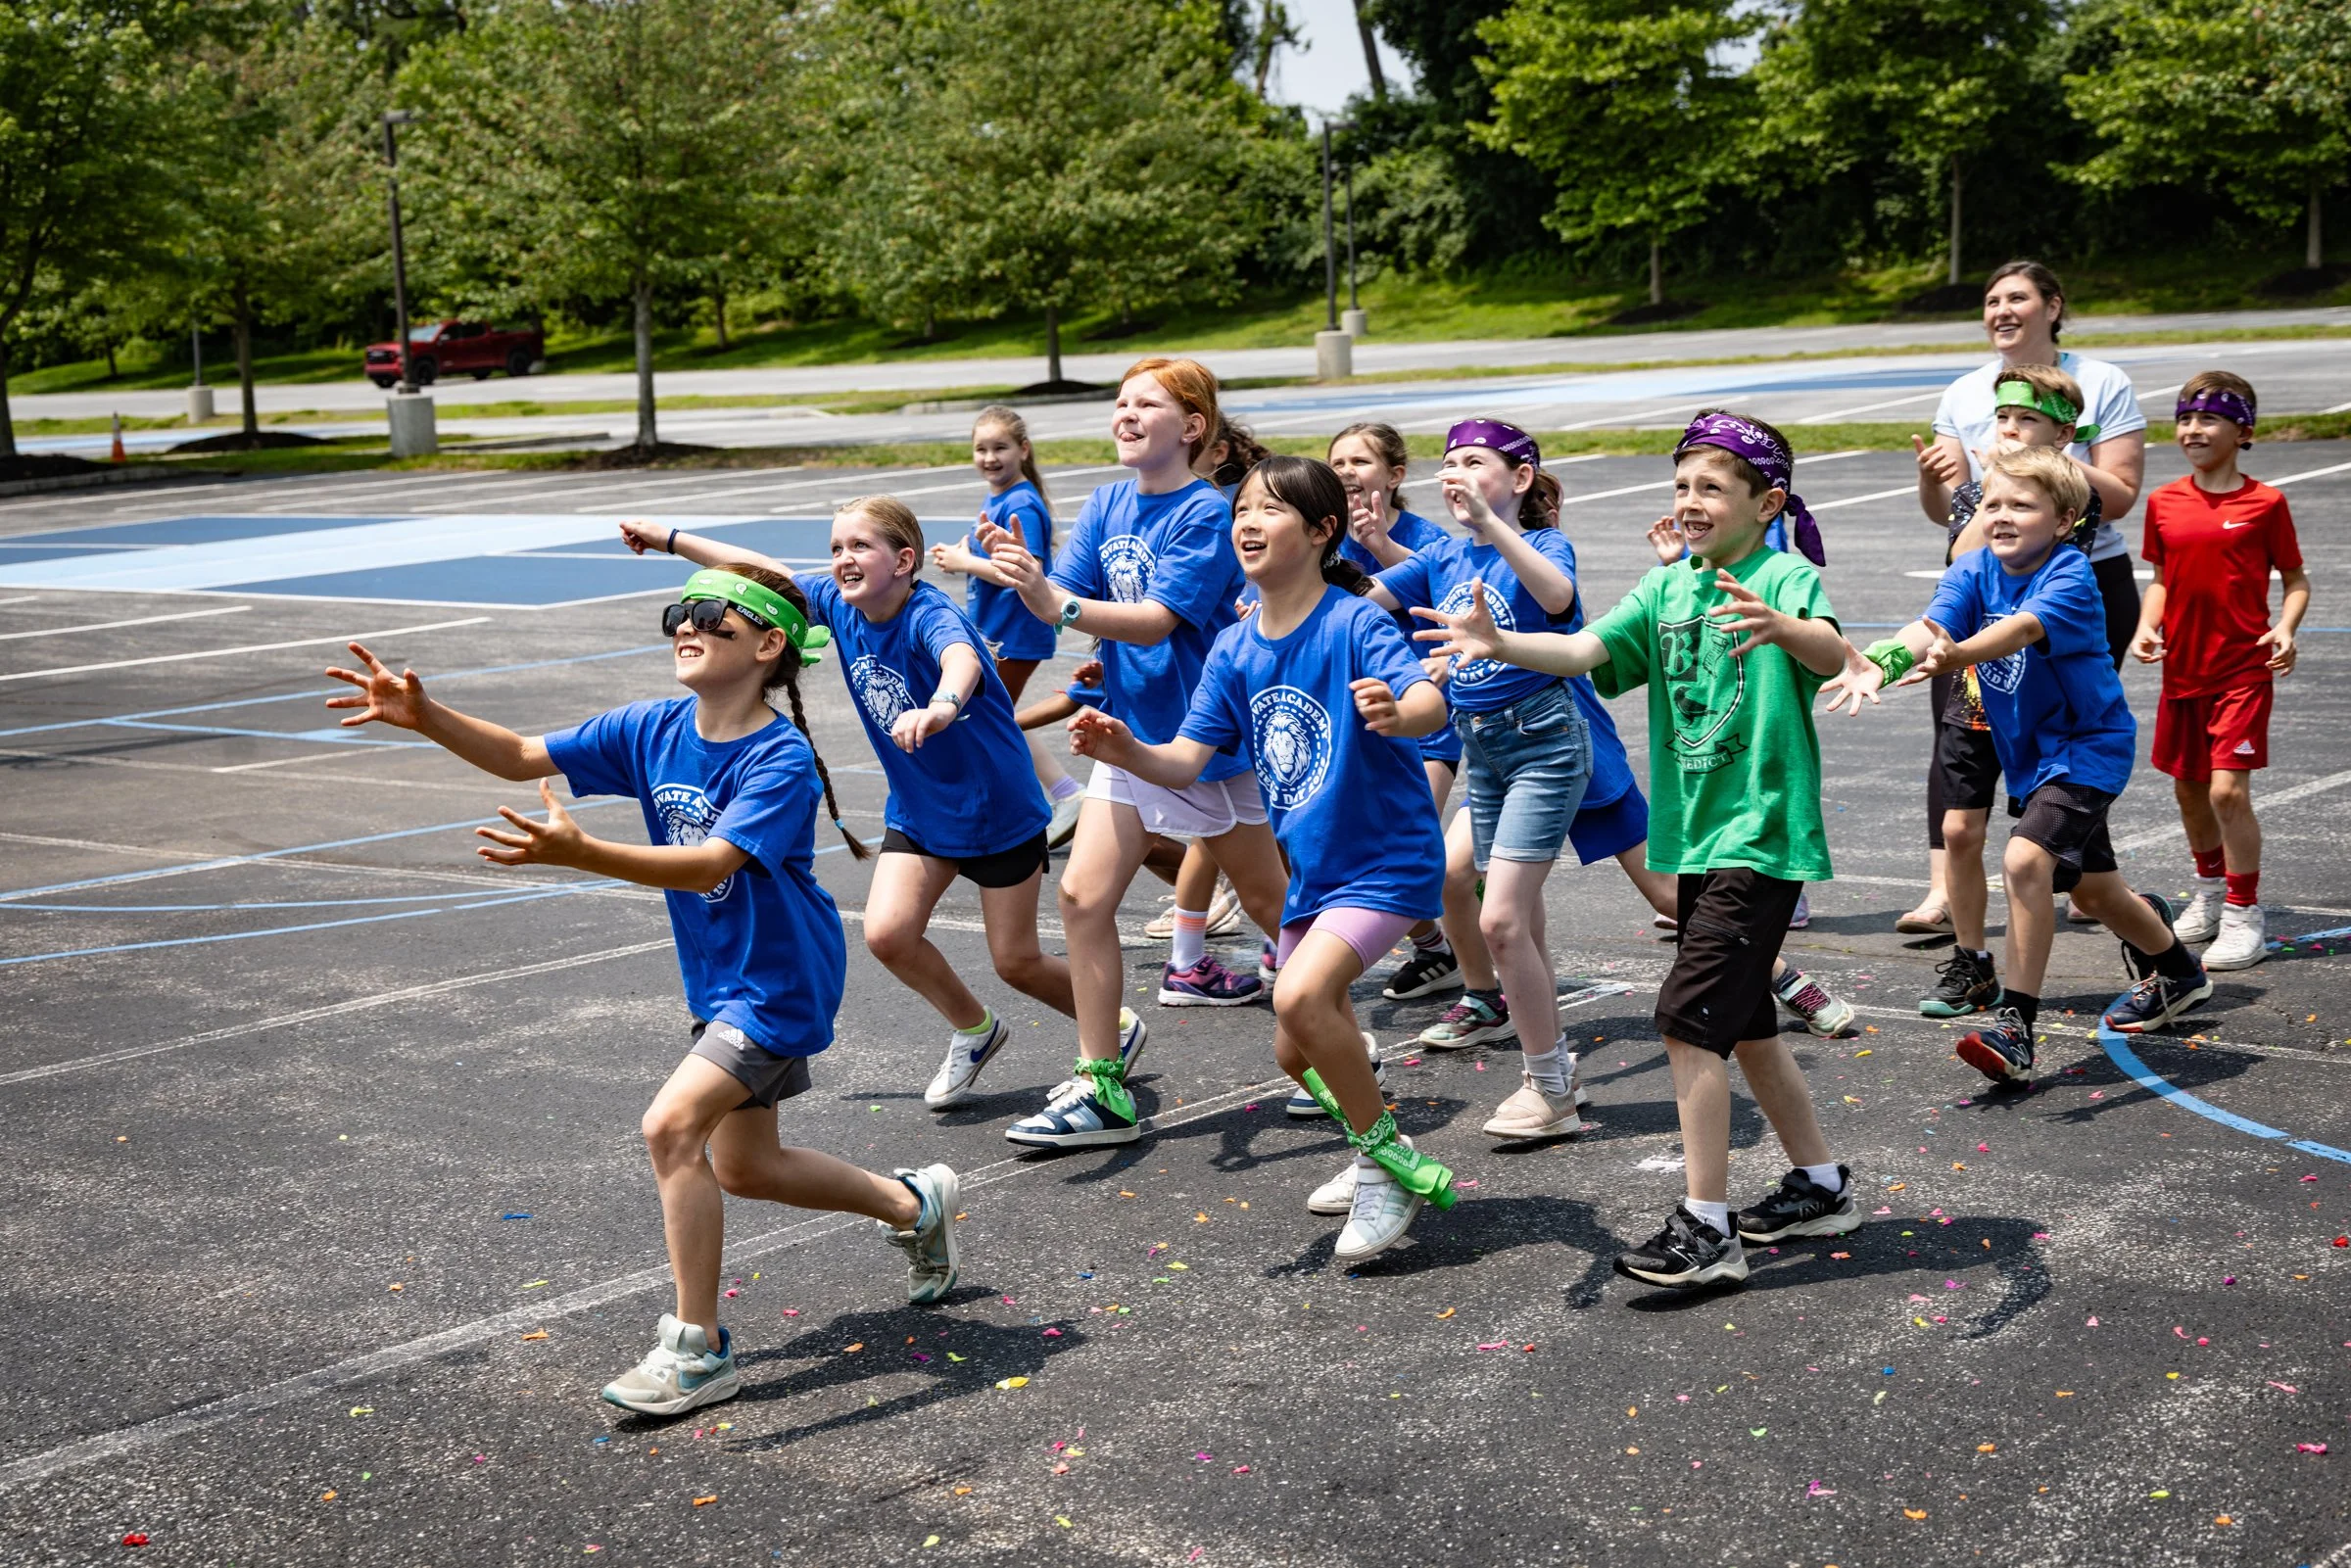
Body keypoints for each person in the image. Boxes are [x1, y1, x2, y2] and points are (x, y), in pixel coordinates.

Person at [321, 568, 959, 1413]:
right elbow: (519, 756)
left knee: (670, 1126)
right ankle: (914, 1204)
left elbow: (710, 862)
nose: (685, 626)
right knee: (748, 1166)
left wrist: (583, 853)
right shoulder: (651, 728)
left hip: (777, 981)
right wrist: (424, 715)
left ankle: (697, 1350)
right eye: (677, 613)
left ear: (769, 645)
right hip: (722, 976)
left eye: (709, 616)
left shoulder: (781, 757)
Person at [1412, 409, 1857, 1288]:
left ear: (1768, 502)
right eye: (1683, 486)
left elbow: (1831, 647)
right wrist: (1503, 645)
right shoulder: (1672, 587)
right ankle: (1820, 1180)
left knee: (1687, 1022)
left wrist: (1784, 626)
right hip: (1696, 836)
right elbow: (1587, 648)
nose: (1691, 502)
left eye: (1712, 488)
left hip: (1757, 835)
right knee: (1748, 1024)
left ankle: (1707, 1226)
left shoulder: (1780, 575)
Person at [1069, 454, 1458, 1261]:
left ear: (1321, 532)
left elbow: (1427, 697)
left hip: (1387, 860)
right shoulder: (1235, 648)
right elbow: (1183, 759)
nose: (1247, 520)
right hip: (1317, 873)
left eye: (1271, 510)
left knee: (1302, 999)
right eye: (1242, 506)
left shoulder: (1354, 622)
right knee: (1295, 1042)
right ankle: (1369, 1136)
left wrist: (1401, 709)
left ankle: (1389, 1161)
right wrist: (1127, 748)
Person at [623, 500, 1122, 1115]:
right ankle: (976, 1029)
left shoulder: (927, 613)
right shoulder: (839, 605)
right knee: (888, 935)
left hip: (996, 810)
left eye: (859, 547)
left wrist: (940, 707)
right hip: (919, 810)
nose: (842, 560)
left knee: (1015, 960)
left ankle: (1109, 1025)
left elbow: (960, 659)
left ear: (904, 561)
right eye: (835, 549)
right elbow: (760, 572)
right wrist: (671, 538)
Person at [1829, 446, 2216, 1086]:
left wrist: (1959, 656)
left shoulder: (2068, 574)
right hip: (2035, 755)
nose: (2000, 515)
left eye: (2020, 505)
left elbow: (2017, 631)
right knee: (2095, 891)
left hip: (2088, 748)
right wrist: (1883, 661)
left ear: (2064, 520)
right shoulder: (1975, 567)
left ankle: (2016, 1026)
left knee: (2024, 862)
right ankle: (2179, 970)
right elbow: (1931, 624)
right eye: (1991, 503)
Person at [980, 356, 1293, 1146]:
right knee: (1083, 897)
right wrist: (1021, 577)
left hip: (1201, 739)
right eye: (1119, 402)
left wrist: (1057, 599)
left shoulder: (1205, 513)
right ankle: (1102, 1083)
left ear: (1191, 427)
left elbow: (1154, 619)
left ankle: (1337, 1041)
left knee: (1271, 905)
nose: (1124, 413)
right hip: (1127, 734)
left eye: (1144, 403)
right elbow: (1071, 601)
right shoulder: (1109, 499)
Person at [1362, 418, 1596, 1140]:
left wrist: (1494, 523)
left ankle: (1550, 1086)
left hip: (1545, 745)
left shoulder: (1540, 544)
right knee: (1510, 914)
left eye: (1474, 461)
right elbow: (1363, 594)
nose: (1455, 472)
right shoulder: (1438, 555)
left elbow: (1557, 599)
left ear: (1519, 478)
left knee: (1499, 920)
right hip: (1486, 751)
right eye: (1449, 462)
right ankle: (1550, 1063)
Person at [1908, 260, 2148, 932]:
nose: (2001, 310)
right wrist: (1961, 479)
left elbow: (2120, 495)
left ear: (2053, 306)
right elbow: (1956, 527)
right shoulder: (1965, 393)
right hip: (1982, 593)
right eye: (1991, 300)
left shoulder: (2101, 383)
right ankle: (1953, 899)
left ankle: (2077, 872)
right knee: (1961, 751)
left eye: (2018, 297)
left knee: (2059, 743)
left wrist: (2039, 458)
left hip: (2069, 594)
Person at [1916, 365, 2100, 1017]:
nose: (2010, 429)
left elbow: (2020, 606)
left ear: (2063, 431)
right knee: (1960, 828)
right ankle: (1972, 962)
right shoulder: (1987, 496)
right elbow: (1962, 559)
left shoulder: (2073, 492)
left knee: (2090, 878)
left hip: (2044, 709)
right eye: (2002, 418)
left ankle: (2161, 951)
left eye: (2026, 419)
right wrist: (1979, 491)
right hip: (1974, 692)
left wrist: (1993, 490)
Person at [2131, 372, 2311, 971]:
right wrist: (2146, 626)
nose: (2192, 430)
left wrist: (2285, 628)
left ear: (2243, 431)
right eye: (2185, 418)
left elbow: (2295, 579)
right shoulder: (2165, 502)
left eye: (2208, 419)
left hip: (2241, 670)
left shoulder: (2266, 504)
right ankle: (2208, 894)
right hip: (2181, 671)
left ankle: (2243, 913)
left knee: (2227, 791)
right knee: (2188, 789)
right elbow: (2160, 580)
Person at [1326, 421, 1475, 1004]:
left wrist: (1381, 545)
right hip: (1357, 713)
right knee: (1367, 844)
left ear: (1394, 475)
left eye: (1359, 461)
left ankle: (1471, 949)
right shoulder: (1323, 538)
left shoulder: (1427, 537)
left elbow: (1447, 597)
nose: (1346, 471)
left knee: (1406, 842)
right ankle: (1436, 945)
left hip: (1426, 710)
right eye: (1336, 462)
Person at [930, 406, 1086, 847]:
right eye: (981, 449)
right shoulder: (997, 498)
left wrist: (967, 563)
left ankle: (1059, 796)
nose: (990, 457)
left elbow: (1027, 570)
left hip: (1016, 633)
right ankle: (1055, 796)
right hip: (996, 631)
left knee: (985, 717)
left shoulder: (1020, 502)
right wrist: (967, 557)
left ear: (1023, 449)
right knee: (990, 717)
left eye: (1000, 447)